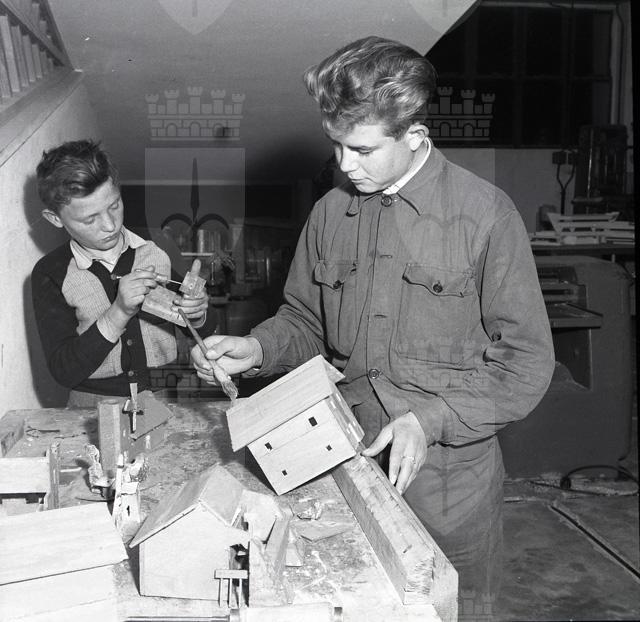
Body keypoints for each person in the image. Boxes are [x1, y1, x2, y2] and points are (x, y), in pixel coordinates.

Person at [191, 36, 554, 606]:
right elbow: (306, 322)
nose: (344, 164)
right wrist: (258, 349)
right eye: (335, 145)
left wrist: (430, 419)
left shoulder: (485, 215)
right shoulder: (331, 212)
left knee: (451, 608)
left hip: (448, 483)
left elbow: (526, 364)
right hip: (345, 459)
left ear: (415, 135)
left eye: (361, 149)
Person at [32, 139, 210, 408]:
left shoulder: (157, 249)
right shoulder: (50, 272)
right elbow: (63, 371)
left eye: (114, 205)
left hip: (165, 399)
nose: (110, 225)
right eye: (90, 219)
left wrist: (196, 312)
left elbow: (202, 326)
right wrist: (119, 312)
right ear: (55, 219)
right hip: (92, 407)